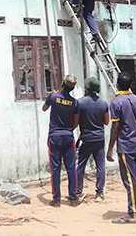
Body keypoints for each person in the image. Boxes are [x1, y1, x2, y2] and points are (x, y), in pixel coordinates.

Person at [107, 72, 136, 224]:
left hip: (126, 146)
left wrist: (110, 148)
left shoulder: (116, 102)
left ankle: (132, 214)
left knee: (130, 181)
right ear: (130, 85)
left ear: (117, 85)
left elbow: (115, 126)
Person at [42, 74, 81, 207]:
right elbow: (75, 123)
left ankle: (56, 199)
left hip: (54, 137)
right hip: (68, 136)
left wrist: (53, 94)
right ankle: (73, 198)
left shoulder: (53, 97)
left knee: (56, 168)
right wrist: (67, 130)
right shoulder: (75, 103)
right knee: (71, 168)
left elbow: (44, 108)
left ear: (62, 85)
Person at [76, 76, 109, 202]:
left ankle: (78, 192)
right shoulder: (103, 103)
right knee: (100, 165)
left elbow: (76, 120)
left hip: (86, 138)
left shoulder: (79, 103)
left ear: (86, 88)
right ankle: (99, 193)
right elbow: (106, 122)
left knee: (81, 165)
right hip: (99, 138)